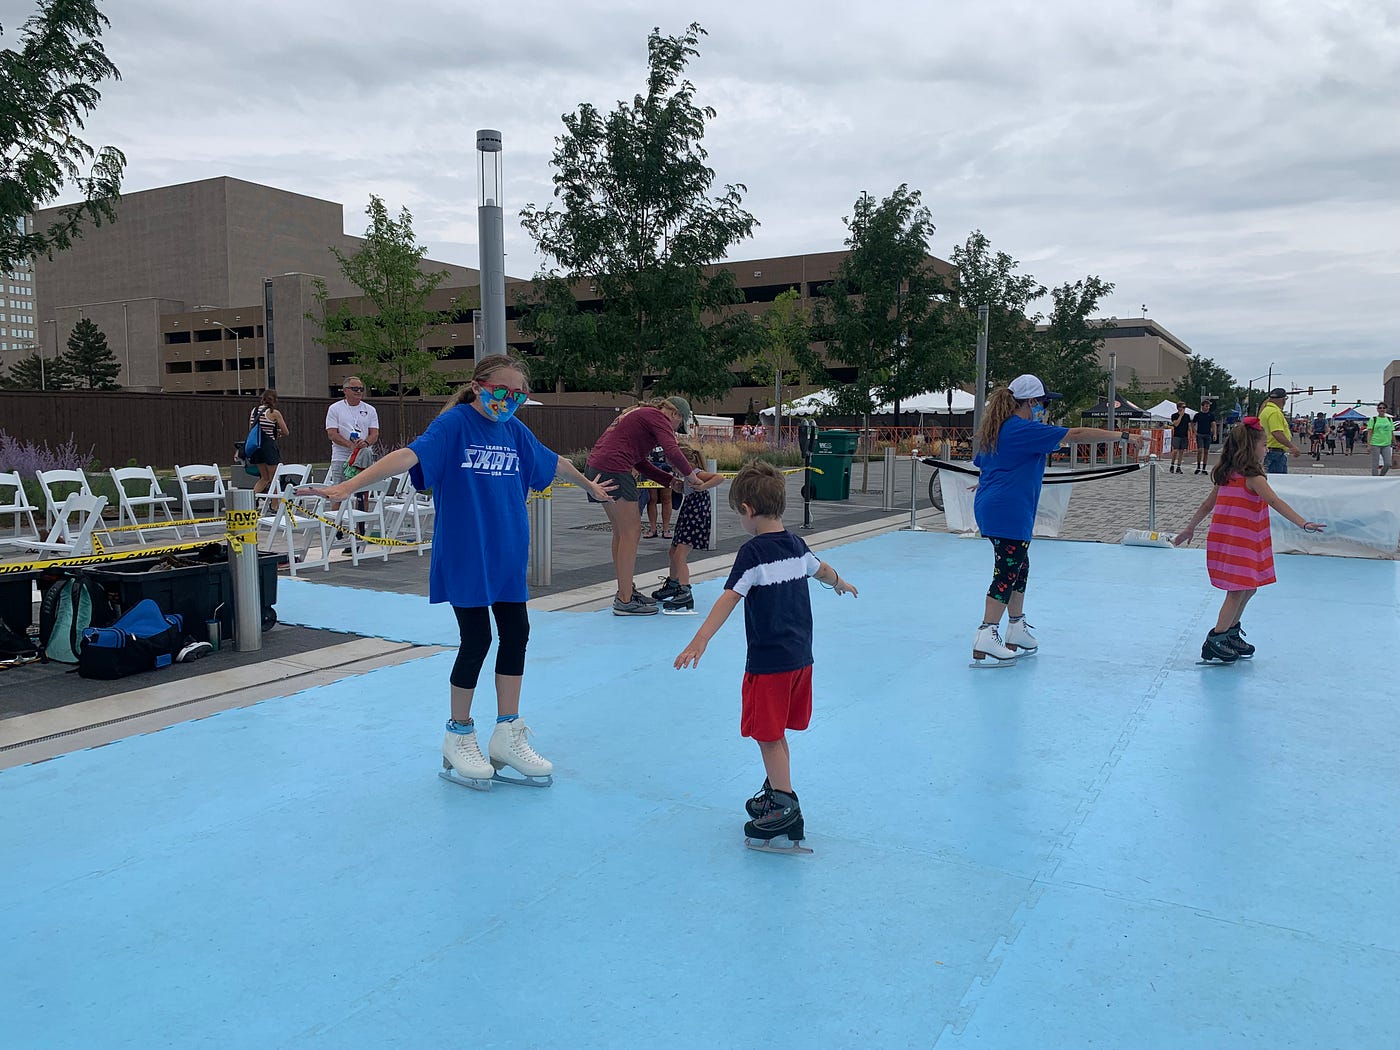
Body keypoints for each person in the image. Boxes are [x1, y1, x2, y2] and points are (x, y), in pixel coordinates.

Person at [302, 354, 615, 789]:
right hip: (468, 551)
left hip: (507, 552)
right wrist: (348, 485)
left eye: (517, 395)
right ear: (477, 385)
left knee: (517, 634)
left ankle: (507, 731)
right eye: (500, 391)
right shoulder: (455, 426)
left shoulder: (514, 430)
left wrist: (590, 485)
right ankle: (459, 733)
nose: (507, 401)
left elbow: (553, 460)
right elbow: (408, 456)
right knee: (477, 640)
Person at [674, 461, 857, 853]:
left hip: (770, 664)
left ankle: (786, 809)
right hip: (800, 659)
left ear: (746, 510)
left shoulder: (752, 553)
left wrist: (700, 639)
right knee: (777, 735)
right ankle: (778, 792)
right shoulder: (796, 544)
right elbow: (821, 569)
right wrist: (840, 583)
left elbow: (729, 597)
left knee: (768, 735)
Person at [970, 374, 1129, 664]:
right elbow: (1077, 435)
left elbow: (986, 465)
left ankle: (1015, 626)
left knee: (1019, 567)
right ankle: (986, 631)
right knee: (1006, 572)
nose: (1046, 408)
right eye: (1044, 403)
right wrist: (1122, 436)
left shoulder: (999, 428)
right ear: (1030, 402)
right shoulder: (1022, 429)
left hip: (999, 506)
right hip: (1009, 510)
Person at [1172, 417, 1326, 663]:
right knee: (1236, 591)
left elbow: (1207, 504)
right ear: (1250, 447)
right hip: (1237, 542)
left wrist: (1191, 528)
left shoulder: (1229, 474)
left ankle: (1231, 631)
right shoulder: (1252, 478)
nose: (1266, 449)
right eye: (1264, 445)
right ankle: (1216, 637)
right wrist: (1302, 523)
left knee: (1249, 587)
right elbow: (1275, 502)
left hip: (1241, 540)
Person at [584, 396, 706, 615]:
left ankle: (625, 590)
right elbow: (672, 450)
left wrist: (671, 482)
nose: (676, 430)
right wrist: (692, 477)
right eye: (679, 425)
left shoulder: (638, 416)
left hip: (597, 468)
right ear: (675, 414)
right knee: (631, 532)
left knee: (621, 532)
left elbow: (640, 463)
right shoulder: (656, 416)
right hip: (615, 469)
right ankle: (624, 599)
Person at [650, 444, 726, 612]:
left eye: (674, 465)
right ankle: (673, 583)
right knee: (673, 551)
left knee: (680, 555)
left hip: (696, 515)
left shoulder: (696, 473)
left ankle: (684, 590)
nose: (673, 469)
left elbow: (719, 478)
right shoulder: (685, 476)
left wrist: (702, 486)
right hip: (688, 512)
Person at [324, 377, 380, 488]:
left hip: (363, 455)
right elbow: (332, 433)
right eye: (355, 389)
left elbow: (374, 433)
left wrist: (366, 443)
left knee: (363, 491)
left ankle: (361, 506)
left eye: (361, 389)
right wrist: (349, 444)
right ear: (345, 390)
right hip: (341, 455)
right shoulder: (335, 408)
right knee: (338, 491)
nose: (359, 391)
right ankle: (337, 506)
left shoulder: (370, 409)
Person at [246, 389, 289, 496]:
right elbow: (286, 432)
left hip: (256, 448)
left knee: (264, 478)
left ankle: (251, 501)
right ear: (274, 400)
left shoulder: (254, 411)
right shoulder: (274, 413)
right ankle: (274, 505)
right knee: (275, 478)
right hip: (268, 448)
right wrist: (277, 432)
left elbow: (251, 429)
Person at [1258, 388, 1300, 474]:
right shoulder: (1275, 412)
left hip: (1267, 451)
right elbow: (1276, 432)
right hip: (1274, 453)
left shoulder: (1266, 411)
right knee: (1278, 481)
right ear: (1283, 400)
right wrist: (1291, 446)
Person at [641, 443, 674, 539]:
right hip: (650, 465)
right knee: (652, 498)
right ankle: (653, 528)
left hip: (667, 466)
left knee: (667, 498)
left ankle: (666, 528)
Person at [1362, 403, 1394, 476]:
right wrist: (1368, 445)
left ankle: (1381, 476)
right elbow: (1369, 433)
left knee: (1388, 463)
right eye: (1380, 408)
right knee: (1375, 464)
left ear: (1386, 409)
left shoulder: (1389, 419)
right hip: (1375, 443)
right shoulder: (1373, 419)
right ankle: (1375, 479)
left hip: (1386, 443)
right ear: (1377, 409)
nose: (1382, 409)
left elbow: (1391, 431)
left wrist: (1394, 441)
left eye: (1383, 408)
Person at [1193, 399, 1218, 475]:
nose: (1207, 407)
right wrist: (1194, 432)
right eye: (1206, 406)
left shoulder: (1211, 415)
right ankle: (1198, 466)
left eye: (1208, 406)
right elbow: (1192, 423)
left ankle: (1204, 467)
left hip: (1207, 434)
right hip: (1200, 434)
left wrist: (1214, 434)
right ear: (1202, 406)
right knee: (1200, 450)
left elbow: (1213, 424)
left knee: (1206, 451)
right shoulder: (1198, 415)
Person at [1169, 402, 1191, 473]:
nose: (1184, 409)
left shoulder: (1187, 416)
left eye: (1184, 407)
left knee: (1181, 451)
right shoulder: (1174, 415)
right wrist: (1180, 416)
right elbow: (1176, 424)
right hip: (1177, 435)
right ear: (1178, 408)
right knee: (1175, 450)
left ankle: (1179, 466)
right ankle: (1172, 464)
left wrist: (1190, 433)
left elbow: (1189, 425)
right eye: (1182, 407)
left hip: (1184, 435)